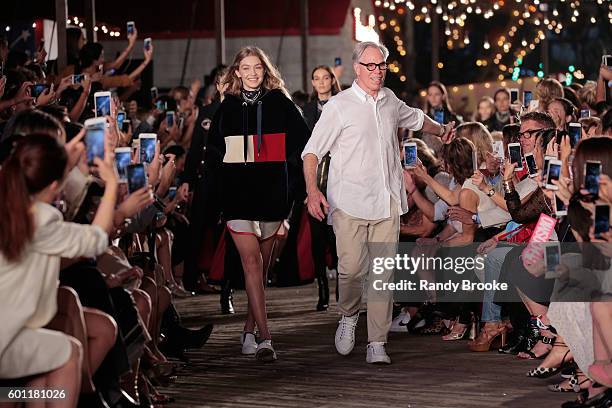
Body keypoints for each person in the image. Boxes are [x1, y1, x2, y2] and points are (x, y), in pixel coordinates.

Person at [302, 41, 453, 364]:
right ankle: (348, 315)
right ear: (357, 69)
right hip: (349, 202)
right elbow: (312, 151)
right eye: (371, 66)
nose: (378, 71)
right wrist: (313, 191)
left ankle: (377, 342)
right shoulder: (339, 106)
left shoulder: (390, 100)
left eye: (382, 65)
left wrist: (442, 131)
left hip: (387, 201)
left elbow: (417, 119)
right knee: (352, 269)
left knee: (383, 274)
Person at [206, 46, 310, 362]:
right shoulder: (227, 108)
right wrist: (218, 194)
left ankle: (249, 329)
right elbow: (213, 155)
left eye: (258, 68)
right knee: (251, 263)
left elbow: (304, 145)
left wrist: (294, 185)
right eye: (246, 68)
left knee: (261, 269)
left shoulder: (281, 103)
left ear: (265, 71)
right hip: (237, 197)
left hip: (272, 196)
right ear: (237, 72)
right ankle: (266, 339)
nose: (252, 73)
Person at [0, 134, 117, 407]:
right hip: (4, 339)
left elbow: (37, 177)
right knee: (68, 352)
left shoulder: (9, 204)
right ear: (54, 185)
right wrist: (111, 185)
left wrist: (59, 161)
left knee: (43, 375)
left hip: (11, 333)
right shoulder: (40, 219)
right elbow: (96, 239)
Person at [303, 65, 342, 311]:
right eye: (316, 78)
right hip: (315, 177)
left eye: (325, 77)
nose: (321, 82)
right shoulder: (307, 109)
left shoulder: (341, 104)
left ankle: (342, 288)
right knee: (317, 239)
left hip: (338, 176)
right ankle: (323, 292)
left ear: (332, 80)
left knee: (337, 237)